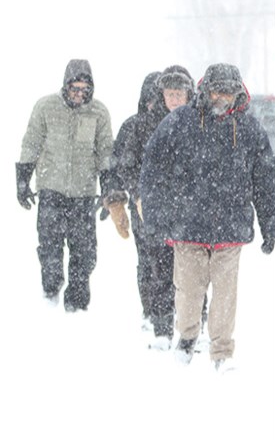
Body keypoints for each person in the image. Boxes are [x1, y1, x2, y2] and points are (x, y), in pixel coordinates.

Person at [140, 63, 275, 370]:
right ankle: (187, 337)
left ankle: (222, 351)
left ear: (237, 93)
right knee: (189, 291)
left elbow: (265, 179)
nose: (222, 99)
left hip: (231, 228)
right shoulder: (180, 122)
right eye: (217, 91)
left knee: (226, 295)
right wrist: (156, 214)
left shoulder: (249, 129)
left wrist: (271, 223)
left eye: (228, 93)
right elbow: (153, 169)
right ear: (205, 90)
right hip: (187, 225)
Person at [16, 59, 115, 311]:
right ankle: (50, 291)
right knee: (50, 246)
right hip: (51, 189)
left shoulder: (99, 113)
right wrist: (22, 180)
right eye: (75, 89)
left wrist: (108, 191)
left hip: (83, 193)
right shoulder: (46, 107)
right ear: (65, 86)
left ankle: (77, 305)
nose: (79, 94)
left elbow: (105, 152)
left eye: (85, 90)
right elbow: (31, 143)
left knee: (84, 252)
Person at [110, 68, 190, 347]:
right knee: (151, 262)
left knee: (182, 264)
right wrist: (128, 197)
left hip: (179, 208)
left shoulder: (187, 124)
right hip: (146, 207)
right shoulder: (135, 126)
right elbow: (120, 165)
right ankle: (155, 314)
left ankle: (182, 316)